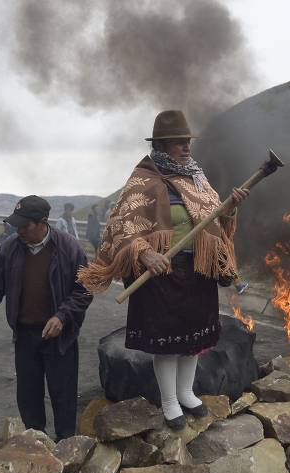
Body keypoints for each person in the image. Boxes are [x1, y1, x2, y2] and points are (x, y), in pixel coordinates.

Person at [77, 110, 249, 429]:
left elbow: (215, 224)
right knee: (168, 343)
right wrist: (144, 255)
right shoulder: (144, 179)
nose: (186, 148)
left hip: (197, 270)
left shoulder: (196, 176)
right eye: (178, 142)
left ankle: (186, 392)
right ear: (161, 144)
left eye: (187, 142)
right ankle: (169, 401)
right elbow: (122, 226)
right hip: (160, 273)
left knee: (194, 337)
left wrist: (231, 207)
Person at [0, 195, 93, 440]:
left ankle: (66, 446)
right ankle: (35, 444)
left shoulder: (69, 248)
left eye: (25, 226)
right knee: (28, 395)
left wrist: (62, 316)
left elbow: (84, 290)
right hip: (26, 335)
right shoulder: (10, 248)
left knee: (63, 395)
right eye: (16, 225)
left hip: (60, 337)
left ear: (43, 222)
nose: (19, 231)